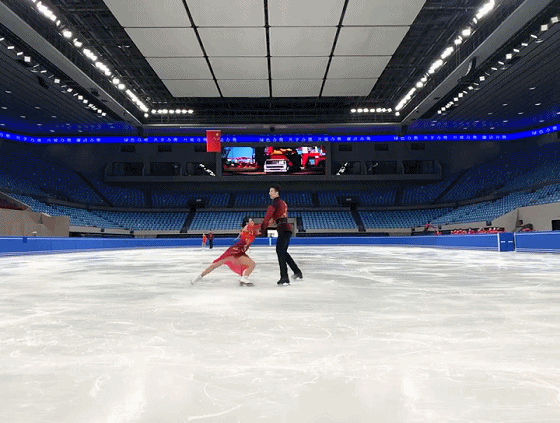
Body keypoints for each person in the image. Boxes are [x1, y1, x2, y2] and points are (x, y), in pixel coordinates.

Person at [191, 217, 259, 286]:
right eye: (251, 220)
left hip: (240, 252)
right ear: (247, 223)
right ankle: (197, 278)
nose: (253, 222)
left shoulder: (251, 231)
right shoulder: (247, 228)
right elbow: (250, 229)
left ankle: (244, 278)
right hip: (235, 251)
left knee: (251, 264)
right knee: (216, 264)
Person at [260, 185, 302, 286]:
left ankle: (284, 277)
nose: (269, 193)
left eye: (271, 191)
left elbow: (267, 218)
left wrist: (262, 229)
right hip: (286, 228)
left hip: (283, 229)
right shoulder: (282, 203)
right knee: (283, 252)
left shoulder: (275, 204)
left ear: (276, 192)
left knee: (280, 251)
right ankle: (297, 272)